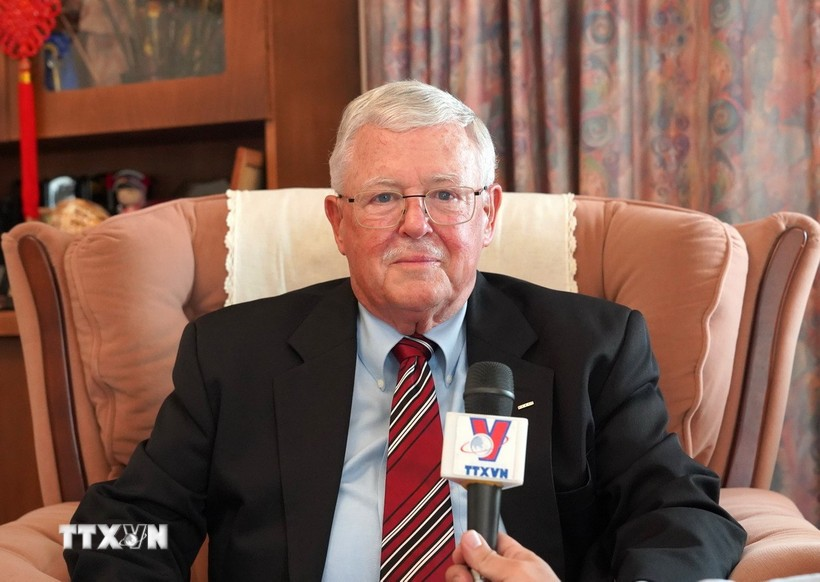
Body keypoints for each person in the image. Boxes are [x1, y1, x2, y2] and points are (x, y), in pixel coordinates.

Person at [65, 80, 745, 581]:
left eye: (446, 195)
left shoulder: (592, 349)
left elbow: (682, 515)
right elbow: (124, 526)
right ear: (338, 223)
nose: (417, 225)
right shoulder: (232, 355)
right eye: (384, 197)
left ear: (489, 214)